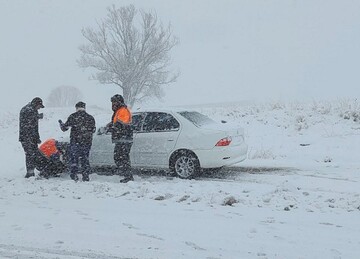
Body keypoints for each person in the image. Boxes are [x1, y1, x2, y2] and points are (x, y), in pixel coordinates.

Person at [59, 102, 96, 181]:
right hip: (87, 142)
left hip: (75, 141)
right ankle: (85, 176)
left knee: (74, 159)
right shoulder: (90, 118)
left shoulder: (73, 116)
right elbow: (93, 130)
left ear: (76, 108)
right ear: (84, 107)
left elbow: (65, 128)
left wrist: (61, 124)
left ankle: (74, 175)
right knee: (85, 159)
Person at [107, 94, 134, 183]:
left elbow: (120, 125)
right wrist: (110, 125)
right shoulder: (119, 111)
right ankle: (126, 174)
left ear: (119, 102)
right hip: (122, 138)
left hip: (124, 138)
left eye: (114, 102)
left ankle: (128, 176)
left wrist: (111, 128)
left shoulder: (123, 111)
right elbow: (116, 123)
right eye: (112, 102)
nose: (112, 104)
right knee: (121, 157)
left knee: (122, 158)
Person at [19, 97, 45, 178]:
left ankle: (39, 170)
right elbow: (29, 124)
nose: (39, 108)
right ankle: (30, 173)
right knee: (30, 154)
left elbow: (34, 126)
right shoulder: (28, 109)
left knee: (34, 154)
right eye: (39, 106)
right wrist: (37, 116)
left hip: (30, 137)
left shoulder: (31, 109)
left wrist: (37, 137)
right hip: (27, 137)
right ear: (36, 104)